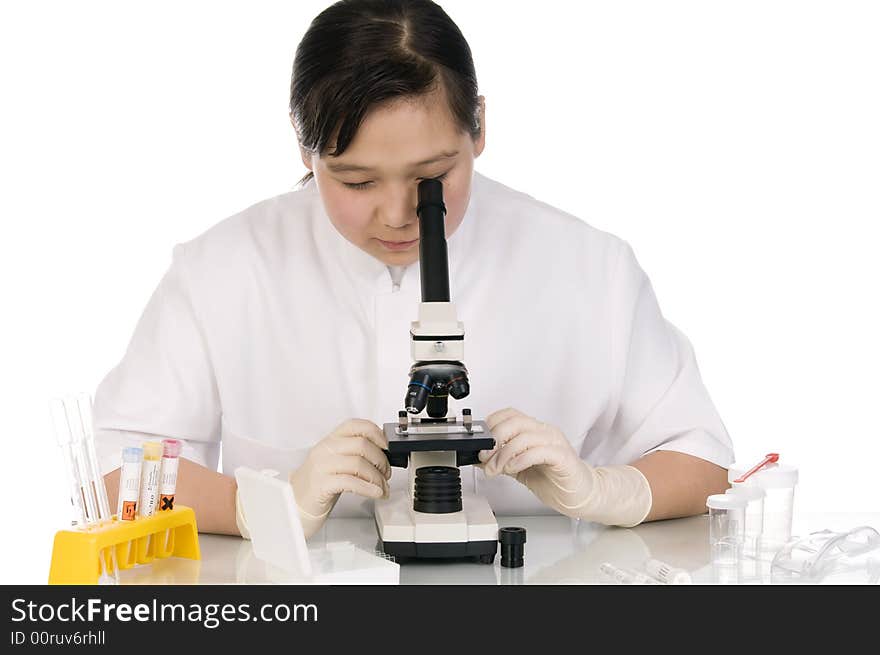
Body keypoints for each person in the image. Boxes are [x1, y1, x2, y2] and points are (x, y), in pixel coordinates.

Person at [95, 0, 733, 538]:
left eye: (431, 178)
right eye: (357, 179)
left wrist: (603, 491)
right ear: (304, 146)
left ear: (478, 125)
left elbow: (704, 460)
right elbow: (117, 469)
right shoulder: (222, 269)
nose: (399, 215)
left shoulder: (592, 268)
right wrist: (259, 507)